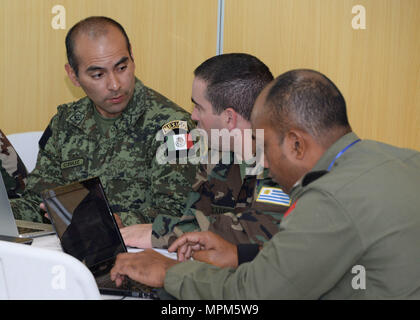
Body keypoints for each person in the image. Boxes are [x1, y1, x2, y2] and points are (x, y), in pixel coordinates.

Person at [110, 69, 420, 299]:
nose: (266, 163)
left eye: (266, 146)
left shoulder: (328, 197)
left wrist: (170, 273)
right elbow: (313, 260)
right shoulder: (404, 160)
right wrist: (240, 255)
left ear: (297, 144)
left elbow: (254, 297)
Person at [10, 16, 197, 225]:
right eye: (98, 74)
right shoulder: (65, 124)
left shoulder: (175, 128)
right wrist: (7, 212)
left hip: (141, 253)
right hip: (70, 252)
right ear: (73, 75)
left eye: (121, 68)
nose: (115, 84)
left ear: (132, 56)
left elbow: (177, 213)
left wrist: (112, 221)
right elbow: (37, 203)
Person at [119, 53, 290, 254]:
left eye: (199, 107)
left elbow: (256, 232)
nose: (192, 116)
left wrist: (161, 233)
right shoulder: (217, 157)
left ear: (229, 118)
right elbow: (193, 217)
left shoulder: (286, 162)